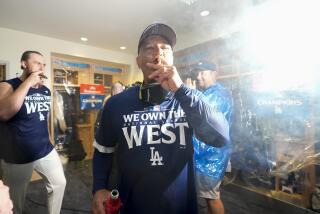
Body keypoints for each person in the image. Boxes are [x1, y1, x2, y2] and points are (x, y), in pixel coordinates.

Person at [91, 23, 230, 214]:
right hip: (132, 206)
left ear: (172, 59)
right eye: (149, 49)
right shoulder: (116, 104)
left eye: (165, 49)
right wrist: (98, 187)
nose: (158, 55)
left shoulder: (188, 99)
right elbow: (102, 151)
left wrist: (181, 89)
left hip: (181, 207)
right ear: (138, 61)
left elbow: (220, 137)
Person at [0, 51, 66, 214]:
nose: (41, 67)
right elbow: (4, 112)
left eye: (43, 64)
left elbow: (43, 119)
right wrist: (29, 82)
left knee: (59, 183)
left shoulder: (45, 91)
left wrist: (50, 140)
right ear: (24, 64)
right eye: (37, 63)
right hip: (18, 156)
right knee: (14, 203)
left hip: (45, 150)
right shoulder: (7, 85)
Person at [192, 61, 233, 214]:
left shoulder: (218, 95)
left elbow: (204, 117)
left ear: (214, 74)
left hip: (211, 158)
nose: (198, 76)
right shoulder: (208, 93)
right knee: (208, 197)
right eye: (197, 72)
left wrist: (189, 93)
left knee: (212, 197)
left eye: (202, 72)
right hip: (205, 156)